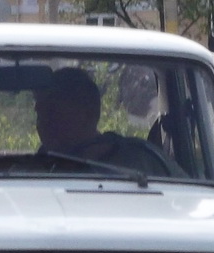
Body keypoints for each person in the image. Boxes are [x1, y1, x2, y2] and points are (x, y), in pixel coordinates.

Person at [34, 67, 175, 176]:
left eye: (53, 113)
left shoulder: (141, 160)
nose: (43, 124)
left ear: (89, 113)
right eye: (40, 114)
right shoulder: (31, 169)